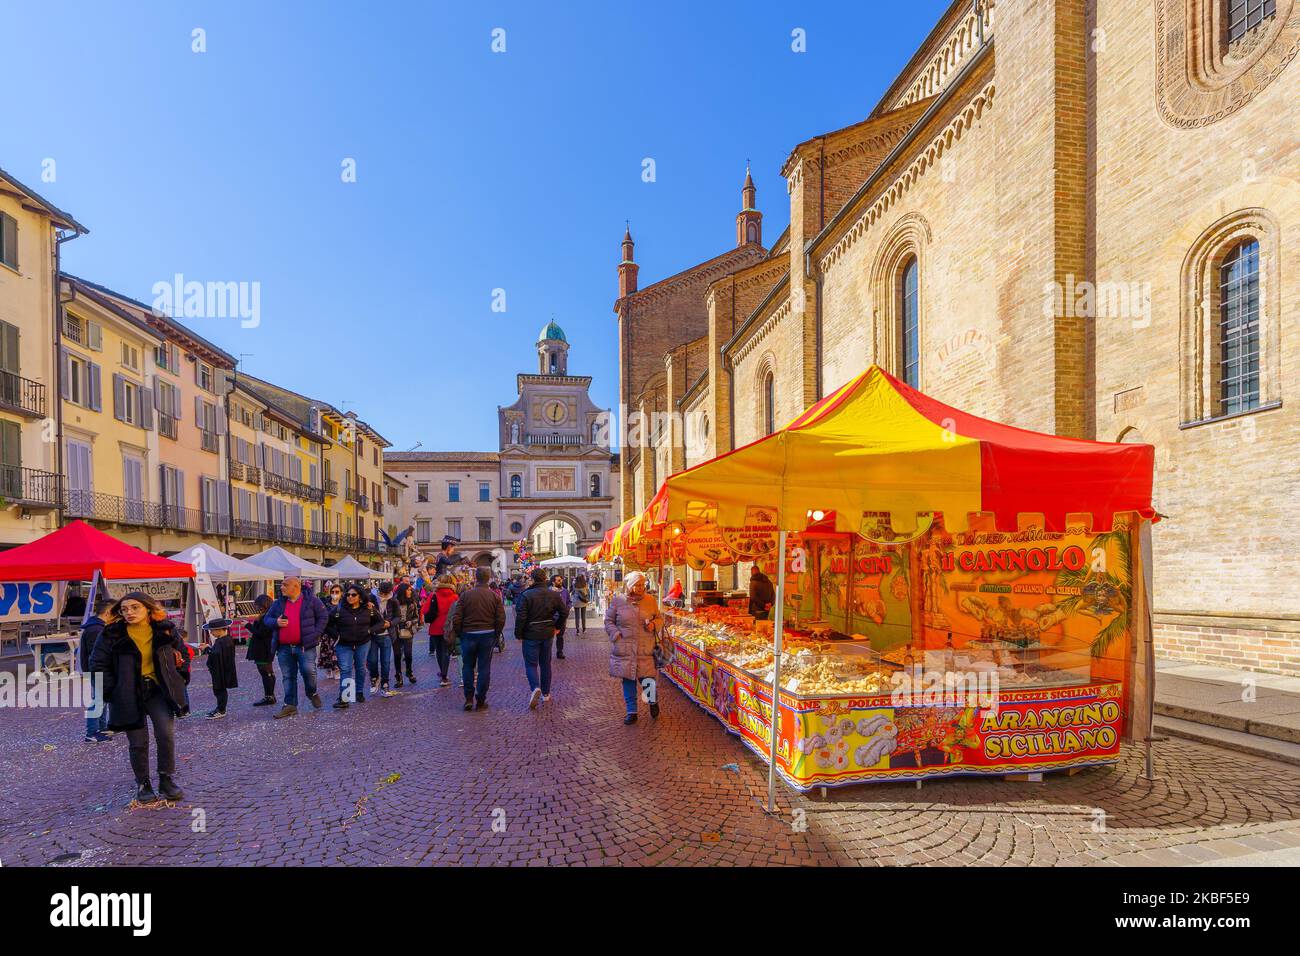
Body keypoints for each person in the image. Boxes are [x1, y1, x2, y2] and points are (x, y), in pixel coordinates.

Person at [89, 591, 188, 804]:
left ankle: (166, 779)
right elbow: (97, 664)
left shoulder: (166, 629)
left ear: (148, 608)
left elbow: (184, 654)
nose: (129, 612)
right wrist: (111, 691)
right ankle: (143, 783)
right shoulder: (111, 633)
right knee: (138, 742)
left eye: (135, 607)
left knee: (166, 734)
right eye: (124, 609)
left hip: (158, 690)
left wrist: (179, 677)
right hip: (127, 693)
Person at [262, 576, 328, 719]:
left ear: (296, 586)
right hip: (284, 647)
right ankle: (290, 705)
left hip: (305, 646)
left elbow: (323, 617)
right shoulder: (278, 603)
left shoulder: (311, 601)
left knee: (308, 672)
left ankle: (312, 692)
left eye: (285, 585)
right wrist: (276, 622)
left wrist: (315, 634)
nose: (281, 587)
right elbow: (267, 619)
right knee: (288, 676)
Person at [604, 571, 663, 725]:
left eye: (642, 584)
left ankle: (652, 701)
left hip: (645, 647)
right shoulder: (618, 601)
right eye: (637, 585)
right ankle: (632, 712)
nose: (640, 588)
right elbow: (608, 620)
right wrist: (615, 635)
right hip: (625, 648)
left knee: (647, 679)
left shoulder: (650, 600)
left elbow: (659, 618)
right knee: (628, 680)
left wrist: (654, 625)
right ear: (630, 585)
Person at [447, 566, 505, 711]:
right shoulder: (494, 596)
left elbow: (457, 617)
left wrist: (460, 633)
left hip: (468, 635)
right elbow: (500, 618)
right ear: (488, 578)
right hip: (487, 634)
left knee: (467, 667)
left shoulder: (466, 595)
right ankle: (480, 699)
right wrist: (496, 633)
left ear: (475, 578)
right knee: (484, 668)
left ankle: (468, 698)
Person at [514, 567, 567, 710]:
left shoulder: (526, 595)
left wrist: (518, 633)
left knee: (531, 664)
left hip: (531, 633)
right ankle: (546, 693)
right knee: (545, 663)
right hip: (547, 631)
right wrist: (557, 626)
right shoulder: (554, 595)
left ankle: (535, 687)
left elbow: (521, 616)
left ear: (532, 579)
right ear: (545, 579)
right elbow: (564, 612)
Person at [333, 585, 384, 705]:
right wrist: (336, 635)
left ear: (360, 597)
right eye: (348, 595)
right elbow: (328, 623)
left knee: (360, 667)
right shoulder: (340, 609)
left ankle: (359, 692)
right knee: (346, 669)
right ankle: (345, 698)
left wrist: (369, 631)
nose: (350, 597)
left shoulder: (368, 609)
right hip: (344, 644)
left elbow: (380, 622)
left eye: (353, 595)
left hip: (363, 643)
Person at [80, 599, 114, 742]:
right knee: (98, 700)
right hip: (98, 670)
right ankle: (92, 732)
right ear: (108, 612)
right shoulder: (96, 630)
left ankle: (101, 727)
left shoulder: (96, 627)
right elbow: (97, 654)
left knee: (102, 699)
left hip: (97, 669)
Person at [424, 574, 459, 687]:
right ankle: (444, 676)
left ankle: (443, 674)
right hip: (449, 627)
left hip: (435, 627)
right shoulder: (454, 596)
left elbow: (425, 610)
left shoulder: (433, 595)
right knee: (446, 651)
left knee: (439, 651)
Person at [202, 618, 237, 720]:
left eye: (212, 630)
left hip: (221, 671)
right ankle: (220, 708)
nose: (211, 633)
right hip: (221, 669)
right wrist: (209, 647)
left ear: (220, 630)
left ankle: (221, 709)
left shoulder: (223, 641)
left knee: (220, 689)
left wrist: (207, 649)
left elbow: (216, 654)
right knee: (219, 689)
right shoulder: (226, 639)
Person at [246, 594, 277, 706]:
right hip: (265, 648)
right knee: (268, 672)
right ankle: (270, 695)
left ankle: (269, 696)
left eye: (258, 605)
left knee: (265, 672)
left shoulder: (266, 617)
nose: (256, 608)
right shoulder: (268, 616)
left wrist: (248, 626)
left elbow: (261, 633)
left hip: (263, 648)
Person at [368, 583, 396, 695]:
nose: (384, 596)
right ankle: (374, 678)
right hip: (373, 635)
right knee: (372, 660)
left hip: (387, 635)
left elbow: (398, 616)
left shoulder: (393, 600)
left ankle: (385, 683)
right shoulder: (371, 598)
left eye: (386, 594)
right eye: (382, 593)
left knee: (386, 661)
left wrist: (390, 623)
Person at [389, 581, 418, 687]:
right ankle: (398, 677)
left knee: (408, 654)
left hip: (407, 630)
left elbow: (416, 617)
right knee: (397, 655)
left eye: (411, 590)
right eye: (408, 589)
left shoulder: (412, 603)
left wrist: (411, 622)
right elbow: (389, 617)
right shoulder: (393, 603)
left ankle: (409, 672)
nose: (410, 591)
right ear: (403, 591)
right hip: (396, 631)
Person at [317, 584, 343, 680]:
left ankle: (336, 669)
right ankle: (328, 669)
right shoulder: (325, 603)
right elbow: (322, 617)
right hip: (327, 632)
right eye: (333, 592)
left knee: (336, 652)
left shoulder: (343, 604)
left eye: (337, 592)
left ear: (341, 593)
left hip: (339, 633)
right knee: (326, 652)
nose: (334, 594)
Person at [550, 574, 572, 659]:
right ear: (553, 582)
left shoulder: (565, 591)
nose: (561, 581)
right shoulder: (549, 591)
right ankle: (548, 653)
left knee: (560, 636)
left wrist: (567, 609)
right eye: (558, 580)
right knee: (550, 637)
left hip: (562, 617)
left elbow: (569, 602)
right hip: (551, 617)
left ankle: (560, 652)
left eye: (561, 580)